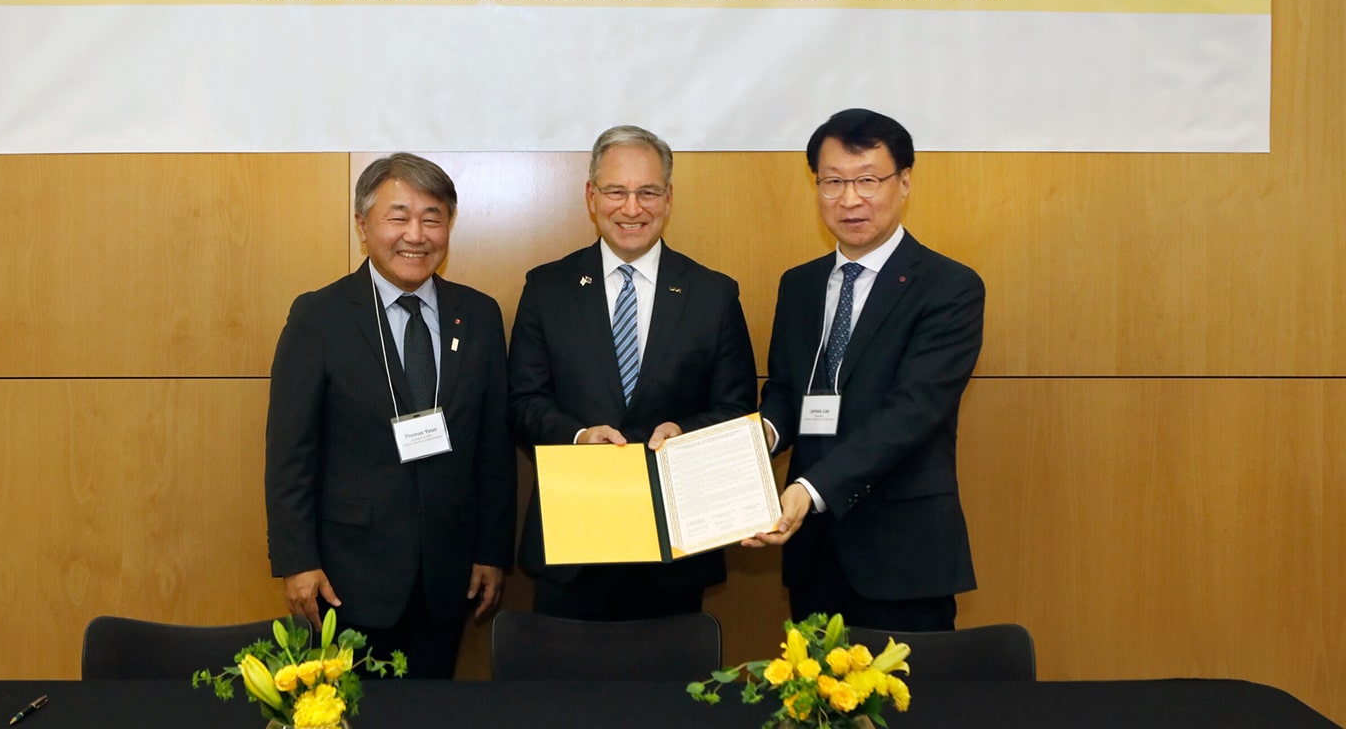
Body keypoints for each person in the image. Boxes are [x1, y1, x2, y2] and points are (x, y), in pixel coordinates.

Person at [265, 153, 515, 678]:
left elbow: (494, 449)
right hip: (347, 577)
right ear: (363, 225)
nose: (416, 235)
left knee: (434, 710)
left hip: (449, 576)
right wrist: (297, 561)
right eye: (398, 217)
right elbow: (290, 454)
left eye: (432, 218)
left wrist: (492, 551)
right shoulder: (320, 317)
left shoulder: (479, 315)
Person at [745, 108, 985, 632]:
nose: (849, 199)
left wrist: (808, 490)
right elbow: (785, 391)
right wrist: (758, 439)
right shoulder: (800, 285)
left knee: (910, 688)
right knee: (812, 685)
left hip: (903, 554)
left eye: (868, 180)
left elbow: (911, 413)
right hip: (812, 552)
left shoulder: (949, 288)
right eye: (833, 182)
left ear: (904, 182)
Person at [509, 125, 757, 621]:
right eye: (615, 191)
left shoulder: (713, 295)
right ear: (591, 196)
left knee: (672, 674)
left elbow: (736, 408)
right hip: (573, 544)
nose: (631, 208)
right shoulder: (547, 289)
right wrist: (578, 436)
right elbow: (522, 402)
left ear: (668, 198)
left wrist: (686, 434)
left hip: (674, 551)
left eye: (647, 192)